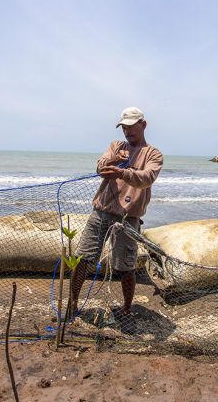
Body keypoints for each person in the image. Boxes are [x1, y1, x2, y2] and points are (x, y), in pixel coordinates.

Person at [70, 106, 163, 317]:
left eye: (131, 127)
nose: (127, 132)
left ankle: (127, 309)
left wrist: (121, 172)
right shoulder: (115, 146)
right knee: (82, 258)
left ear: (143, 125)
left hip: (129, 218)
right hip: (101, 212)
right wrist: (112, 161)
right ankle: (73, 304)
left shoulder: (153, 154)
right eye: (124, 128)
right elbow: (100, 167)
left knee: (126, 266)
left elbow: (147, 178)